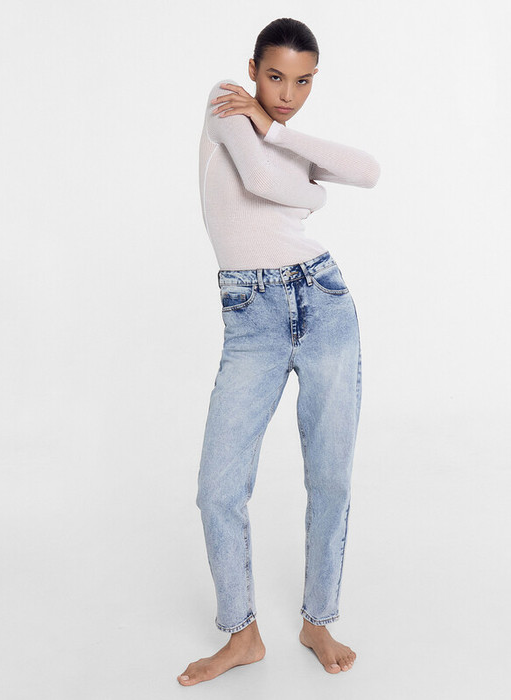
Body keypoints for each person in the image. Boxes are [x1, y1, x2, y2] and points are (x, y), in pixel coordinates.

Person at [177, 17, 380, 686]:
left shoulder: (278, 129)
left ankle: (317, 621)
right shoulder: (225, 102)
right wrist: (314, 190)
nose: (287, 94)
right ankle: (243, 636)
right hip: (251, 317)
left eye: (303, 81)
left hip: (323, 303)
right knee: (217, 489)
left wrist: (280, 131)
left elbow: (369, 171)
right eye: (274, 77)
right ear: (251, 69)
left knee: (330, 478)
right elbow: (264, 182)